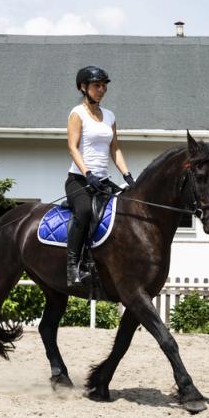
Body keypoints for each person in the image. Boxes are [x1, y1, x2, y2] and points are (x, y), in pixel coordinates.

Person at [65, 65, 135, 288]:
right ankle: (73, 266)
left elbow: (115, 149)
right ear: (83, 88)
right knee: (84, 211)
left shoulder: (110, 116)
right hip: (79, 179)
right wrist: (87, 173)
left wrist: (128, 175)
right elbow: (73, 148)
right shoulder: (77, 114)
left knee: (129, 207)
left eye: (104, 85)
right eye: (97, 85)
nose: (102, 89)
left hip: (103, 181)